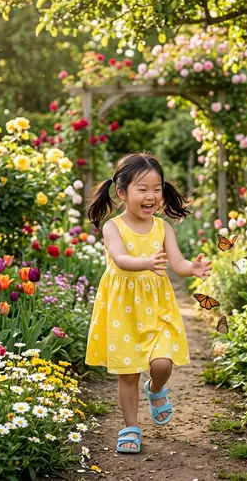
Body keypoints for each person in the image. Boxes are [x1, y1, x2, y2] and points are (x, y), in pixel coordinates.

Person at [85, 152, 212, 453]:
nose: (151, 196)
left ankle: (156, 389)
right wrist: (145, 261)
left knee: (162, 362)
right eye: (142, 188)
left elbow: (176, 262)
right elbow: (121, 259)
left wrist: (190, 269)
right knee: (128, 373)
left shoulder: (162, 227)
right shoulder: (112, 227)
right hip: (123, 309)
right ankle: (130, 427)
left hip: (156, 307)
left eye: (157, 189)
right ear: (121, 192)